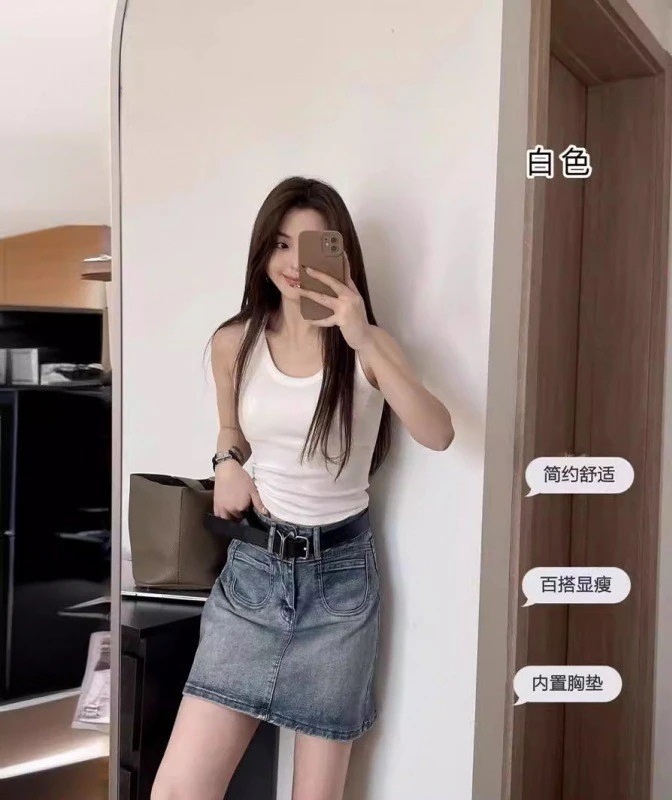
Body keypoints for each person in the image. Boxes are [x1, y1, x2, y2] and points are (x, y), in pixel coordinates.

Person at [151, 176, 454, 800]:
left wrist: (362, 337)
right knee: (179, 791)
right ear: (263, 250)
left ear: (340, 256)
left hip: (340, 586)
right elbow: (231, 432)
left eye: (311, 246)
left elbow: (439, 432)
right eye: (281, 244)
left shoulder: (367, 348)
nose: (293, 263)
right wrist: (227, 463)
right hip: (253, 579)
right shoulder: (234, 342)